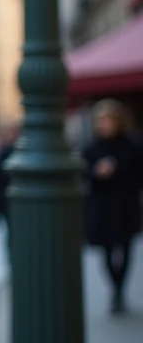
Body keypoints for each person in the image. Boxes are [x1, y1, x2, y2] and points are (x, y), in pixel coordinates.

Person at [81, 99, 143, 314]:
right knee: (106, 250)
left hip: (126, 204)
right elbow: (83, 174)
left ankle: (120, 290)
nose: (106, 125)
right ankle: (116, 290)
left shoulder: (133, 145)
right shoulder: (91, 147)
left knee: (126, 248)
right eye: (102, 120)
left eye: (109, 120)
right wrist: (97, 173)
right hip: (102, 207)